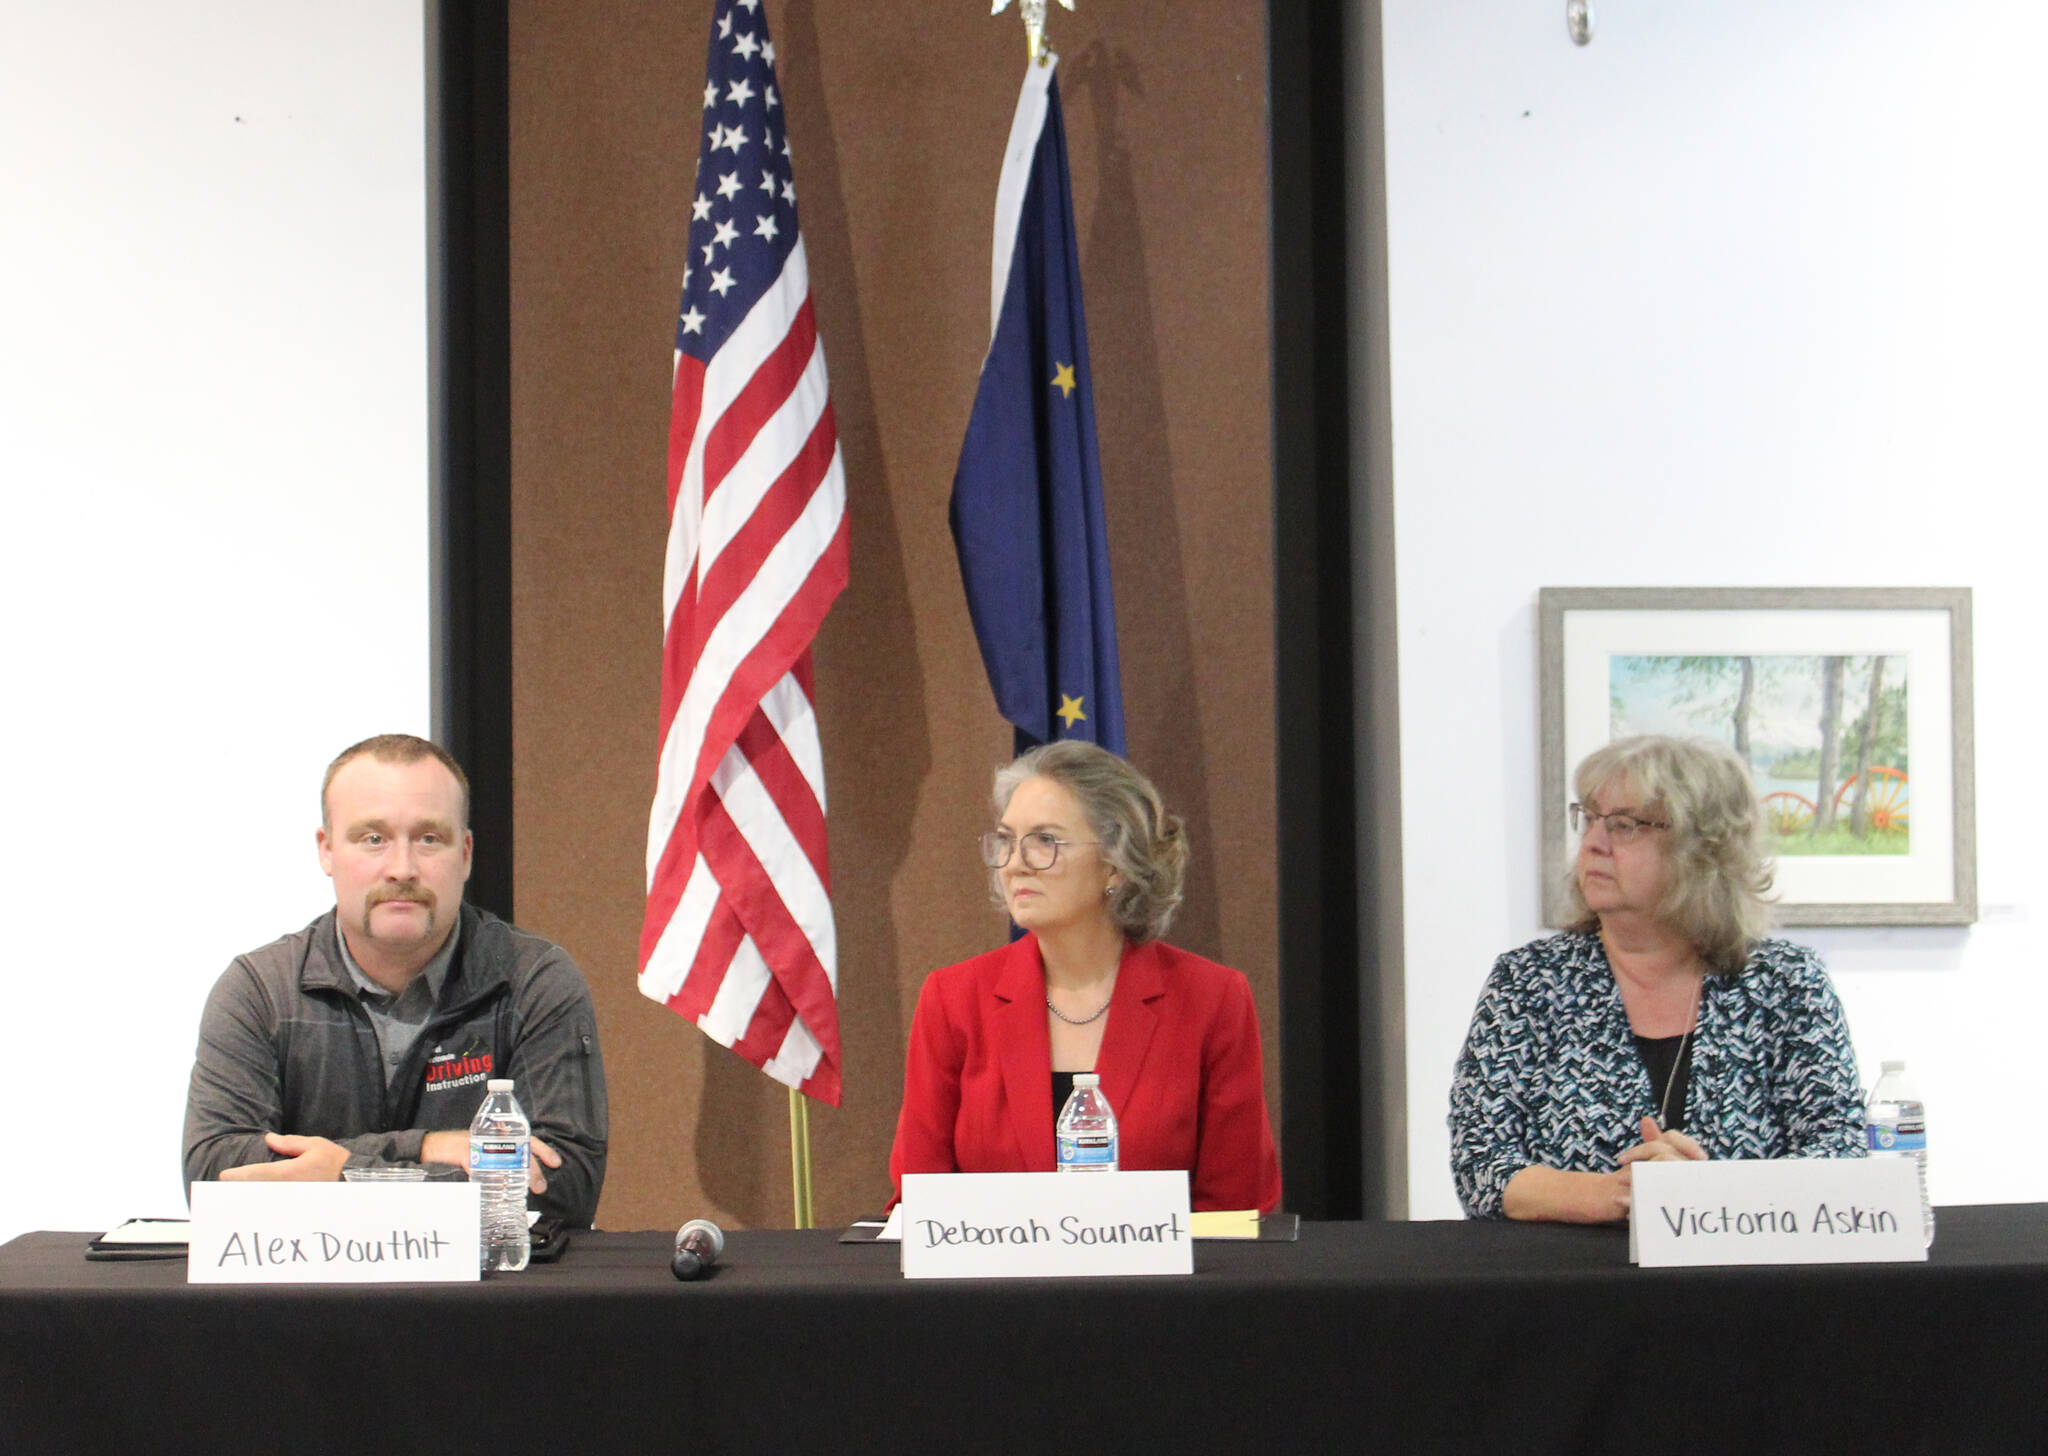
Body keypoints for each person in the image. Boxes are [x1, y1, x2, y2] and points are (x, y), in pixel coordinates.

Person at [182, 734, 609, 1226]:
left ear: (465, 853)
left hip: (484, 1299)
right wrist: (427, 1147)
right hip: (308, 1299)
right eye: (373, 839)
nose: (402, 868)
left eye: (429, 839)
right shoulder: (259, 991)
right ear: (326, 850)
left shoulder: (534, 982)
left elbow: (562, 1188)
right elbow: (214, 1178)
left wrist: (344, 1174)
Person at [1450, 734, 1864, 1222]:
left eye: (1625, 826)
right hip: (1567, 1286)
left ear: (1701, 850)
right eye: (1589, 818)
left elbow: (1841, 1153)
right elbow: (1481, 1166)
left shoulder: (1786, 982)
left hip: (1749, 1287)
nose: (1593, 843)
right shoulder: (1528, 982)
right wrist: (1619, 1195)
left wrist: (1709, 1194)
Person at [889, 740, 1281, 1212]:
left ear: (1115, 863)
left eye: (1045, 841)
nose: (1014, 864)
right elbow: (920, 1204)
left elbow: (1236, 1212)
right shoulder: (954, 1000)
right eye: (1007, 840)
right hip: (996, 1286)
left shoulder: (1212, 999)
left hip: (1160, 1286)